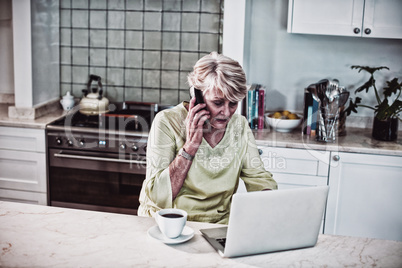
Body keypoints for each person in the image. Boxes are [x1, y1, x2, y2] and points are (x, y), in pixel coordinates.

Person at [138, 52, 277, 224]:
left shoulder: (239, 125)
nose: (226, 113)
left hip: (218, 225)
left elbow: (258, 177)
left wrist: (267, 201)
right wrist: (190, 147)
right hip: (168, 222)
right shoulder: (167, 122)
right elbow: (158, 196)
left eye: (233, 103)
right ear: (197, 97)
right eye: (218, 103)